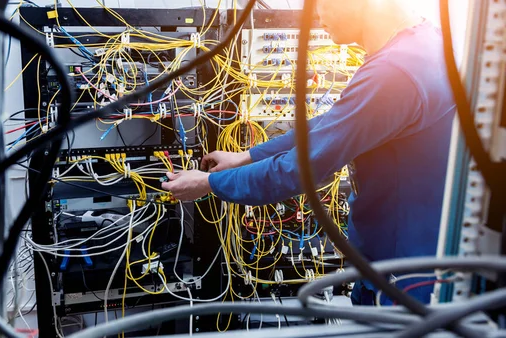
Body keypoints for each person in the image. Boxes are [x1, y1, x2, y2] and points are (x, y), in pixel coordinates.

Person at [162, 0, 456, 305]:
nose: (314, 15)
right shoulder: (423, 44)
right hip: (399, 255)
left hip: (403, 274)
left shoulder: (394, 74)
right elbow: (334, 122)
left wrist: (208, 184)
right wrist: (249, 155)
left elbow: (298, 169)